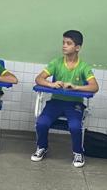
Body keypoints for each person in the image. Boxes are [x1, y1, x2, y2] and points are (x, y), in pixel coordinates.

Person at [31, 30, 98, 167]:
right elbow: (39, 79)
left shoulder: (83, 66)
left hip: (74, 104)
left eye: (68, 43)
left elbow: (94, 87)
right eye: (63, 43)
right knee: (42, 122)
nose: (64, 46)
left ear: (77, 47)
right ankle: (42, 147)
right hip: (56, 102)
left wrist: (76, 87)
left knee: (75, 126)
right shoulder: (56, 63)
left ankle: (78, 153)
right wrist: (51, 84)